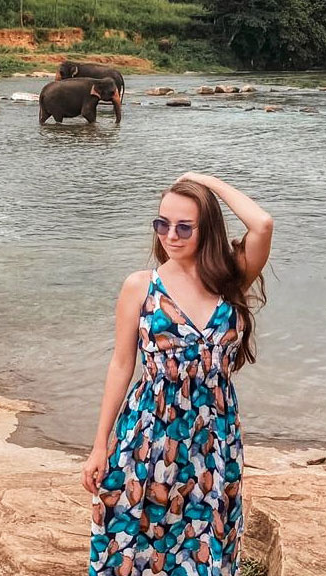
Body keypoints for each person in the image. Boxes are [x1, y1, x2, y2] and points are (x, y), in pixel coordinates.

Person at [83, 172, 273, 576]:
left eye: (185, 226)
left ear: (208, 228)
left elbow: (262, 224)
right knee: (134, 542)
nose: (171, 235)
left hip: (213, 436)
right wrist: (100, 444)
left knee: (205, 542)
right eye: (162, 224)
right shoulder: (141, 287)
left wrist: (206, 182)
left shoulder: (230, 278)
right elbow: (121, 365)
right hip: (149, 432)